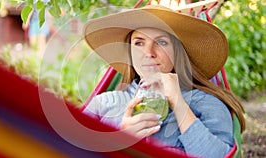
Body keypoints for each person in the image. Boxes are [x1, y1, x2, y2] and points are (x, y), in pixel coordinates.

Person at [82, 5, 245, 158]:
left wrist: (179, 104)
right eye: (139, 43)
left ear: (177, 51)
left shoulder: (205, 103)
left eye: (161, 42)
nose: (148, 52)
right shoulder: (103, 104)